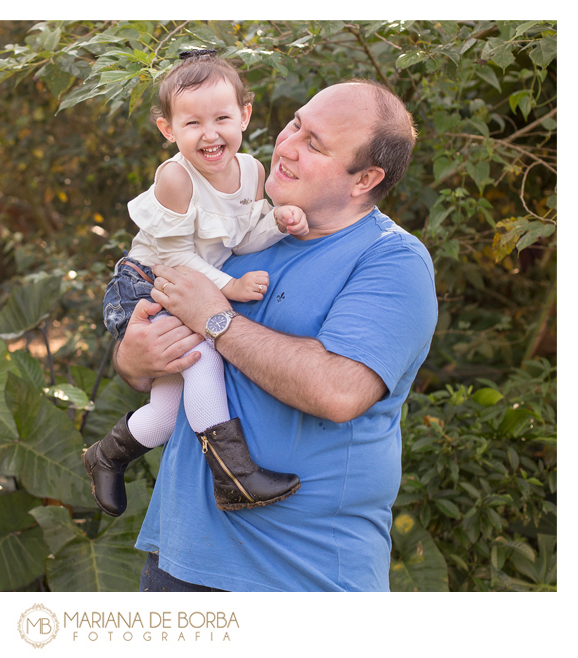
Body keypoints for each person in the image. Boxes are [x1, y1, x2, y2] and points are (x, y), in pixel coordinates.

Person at [116, 79, 438, 592]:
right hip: (178, 560)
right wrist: (134, 358)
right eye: (295, 124)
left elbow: (337, 391)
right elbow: (156, 366)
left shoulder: (391, 261)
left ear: (365, 179)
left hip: (299, 574)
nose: (285, 145)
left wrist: (216, 319)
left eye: (314, 144)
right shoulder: (237, 238)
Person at [82, 50, 310, 519]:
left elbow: (243, 237)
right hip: (147, 284)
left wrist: (279, 224)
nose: (210, 134)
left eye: (222, 117)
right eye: (192, 124)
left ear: (244, 116)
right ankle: (234, 479)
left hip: (188, 288)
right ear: (168, 129)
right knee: (201, 356)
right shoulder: (175, 178)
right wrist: (229, 287)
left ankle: (105, 455)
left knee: (167, 414)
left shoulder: (251, 171)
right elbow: (174, 258)